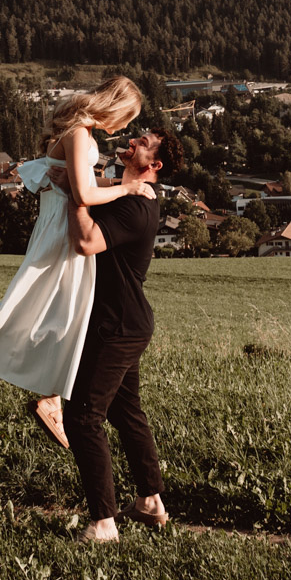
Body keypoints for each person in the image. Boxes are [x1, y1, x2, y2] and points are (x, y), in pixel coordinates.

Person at [0, 76, 156, 447]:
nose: (124, 127)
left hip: (59, 220)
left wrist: (118, 187)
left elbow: (82, 183)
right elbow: (84, 191)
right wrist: (128, 187)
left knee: (64, 310)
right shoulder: (78, 134)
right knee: (44, 305)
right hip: (61, 227)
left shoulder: (81, 132)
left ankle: (54, 394)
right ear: (116, 107)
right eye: (127, 118)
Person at [64, 122, 184, 543]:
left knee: (82, 418)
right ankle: (151, 501)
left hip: (118, 326)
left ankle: (104, 524)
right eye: (136, 137)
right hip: (126, 322)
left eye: (143, 144)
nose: (132, 142)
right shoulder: (129, 194)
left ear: (155, 164)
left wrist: (79, 201)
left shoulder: (135, 206)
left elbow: (87, 243)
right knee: (125, 411)